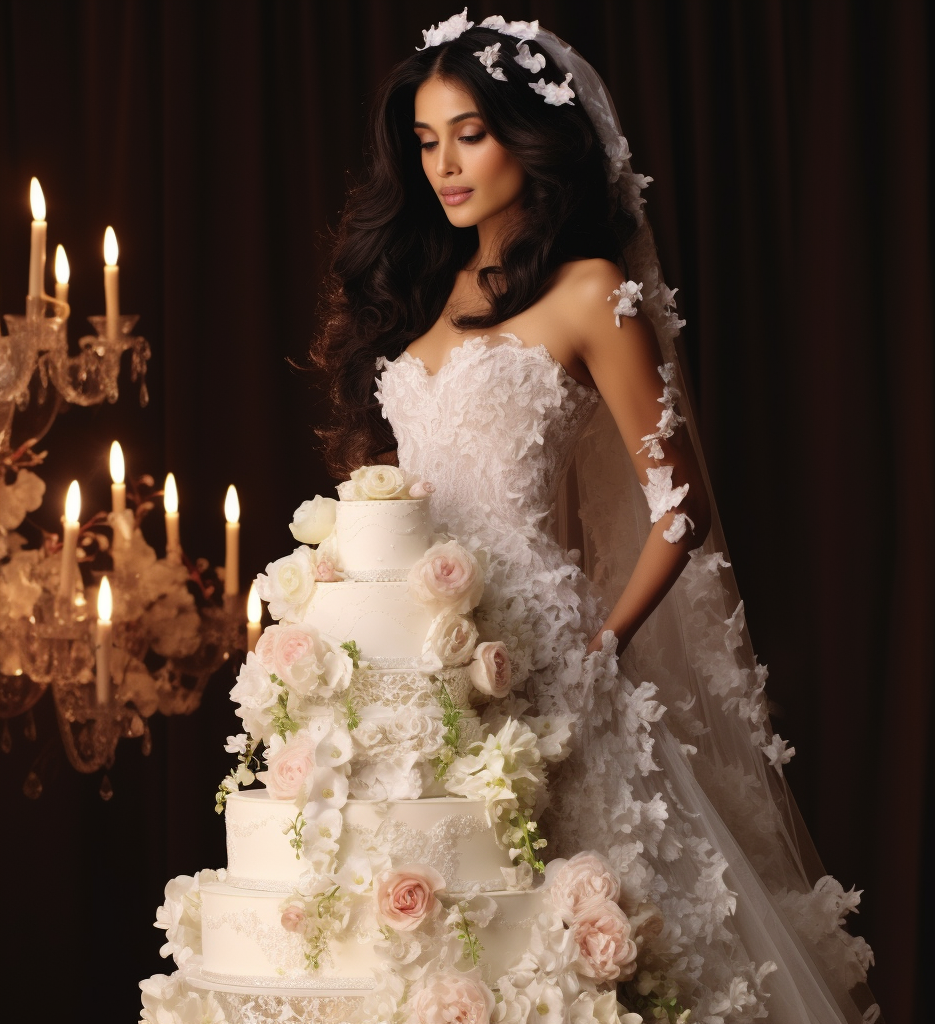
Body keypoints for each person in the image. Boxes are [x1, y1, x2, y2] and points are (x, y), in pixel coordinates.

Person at [310, 11, 882, 1024]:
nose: (442, 164)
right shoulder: (427, 290)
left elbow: (680, 508)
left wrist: (602, 639)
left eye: (469, 133)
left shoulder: (590, 291)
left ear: (529, 137)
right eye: (427, 139)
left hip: (542, 655)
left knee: (582, 944)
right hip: (413, 657)